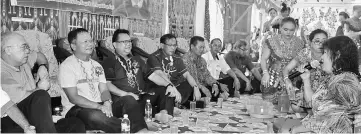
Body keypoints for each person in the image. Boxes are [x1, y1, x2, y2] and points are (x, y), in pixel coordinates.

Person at [58, 28, 148, 133]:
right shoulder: (67, 66)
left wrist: (107, 103)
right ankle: (131, 128)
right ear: (73, 46)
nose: (90, 44)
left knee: (128, 99)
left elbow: (104, 89)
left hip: (100, 105)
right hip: (77, 109)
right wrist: (99, 107)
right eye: (85, 42)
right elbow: (73, 98)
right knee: (95, 116)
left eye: (91, 41)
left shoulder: (97, 65)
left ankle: (141, 130)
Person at [1, 32, 85, 133]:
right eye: (23, 47)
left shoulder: (22, 59)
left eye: (27, 47)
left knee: (75, 123)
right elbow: (19, 99)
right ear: (8, 50)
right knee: (40, 95)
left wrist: (42, 66)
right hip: (15, 120)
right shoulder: (2, 72)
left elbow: (39, 55)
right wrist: (40, 88)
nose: (27, 51)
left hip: (36, 118)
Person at [279, 36, 361, 133]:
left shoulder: (345, 83)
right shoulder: (333, 78)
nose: (321, 57)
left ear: (337, 55)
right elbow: (313, 103)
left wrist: (293, 130)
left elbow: (328, 118)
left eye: (325, 53)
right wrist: (306, 80)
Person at [101, 29, 164, 130]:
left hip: (141, 97)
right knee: (129, 100)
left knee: (163, 89)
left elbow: (153, 76)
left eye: (129, 41)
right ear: (115, 44)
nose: (128, 44)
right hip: (123, 101)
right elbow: (107, 84)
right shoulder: (109, 61)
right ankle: (141, 126)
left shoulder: (137, 59)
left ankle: (164, 115)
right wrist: (126, 94)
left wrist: (170, 86)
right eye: (124, 42)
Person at [146, 34, 201, 115]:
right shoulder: (154, 57)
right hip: (162, 87)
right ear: (162, 45)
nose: (173, 48)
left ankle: (173, 105)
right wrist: (172, 87)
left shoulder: (177, 58)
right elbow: (160, 74)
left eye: (175, 45)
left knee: (188, 85)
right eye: (170, 45)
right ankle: (172, 106)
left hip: (175, 88)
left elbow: (187, 75)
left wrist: (196, 87)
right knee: (165, 90)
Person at [260, 17, 305, 104]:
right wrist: (265, 73)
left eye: (291, 30)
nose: (288, 32)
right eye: (285, 29)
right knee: (268, 102)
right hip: (272, 76)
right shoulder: (271, 41)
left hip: (292, 76)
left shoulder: (300, 43)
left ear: (295, 29)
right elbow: (263, 59)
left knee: (292, 104)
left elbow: (302, 60)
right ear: (280, 28)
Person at [283, 29, 328, 111]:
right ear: (310, 43)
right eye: (317, 41)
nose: (321, 44)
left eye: (324, 41)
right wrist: (286, 80)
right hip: (306, 90)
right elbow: (287, 68)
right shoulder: (305, 53)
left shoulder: (330, 55)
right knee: (295, 107)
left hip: (324, 93)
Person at [182, 36, 230, 101]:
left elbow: (207, 75)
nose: (202, 50)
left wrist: (214, 84)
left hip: (202, 86)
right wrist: (202, 87)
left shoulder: (202, 60)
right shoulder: (185, 60)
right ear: (192, 47)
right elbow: (191, 79)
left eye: (203, 47)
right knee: (191, 90)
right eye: (200, 47)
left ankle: (211, 97)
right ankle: (212, 97)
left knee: (217, 85)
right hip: (191, 87)